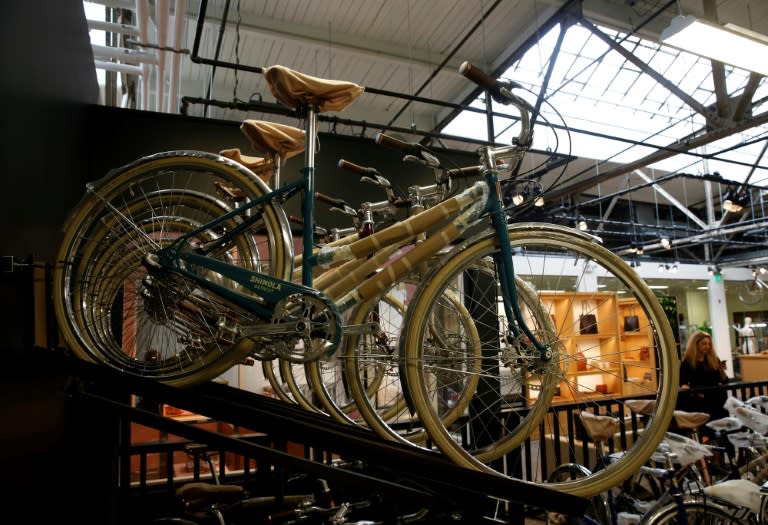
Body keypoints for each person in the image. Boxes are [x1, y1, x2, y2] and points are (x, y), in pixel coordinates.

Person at [677, 331, 730, 422]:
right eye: (704, 344)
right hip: (699, 400)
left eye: (709, 344)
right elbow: (683, 384)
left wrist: (722, 371)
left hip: (716, 398)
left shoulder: (714, 359)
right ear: (696, 344)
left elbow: (724, 380)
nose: (707, 347)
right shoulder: (687, 363)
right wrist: (694, 392)